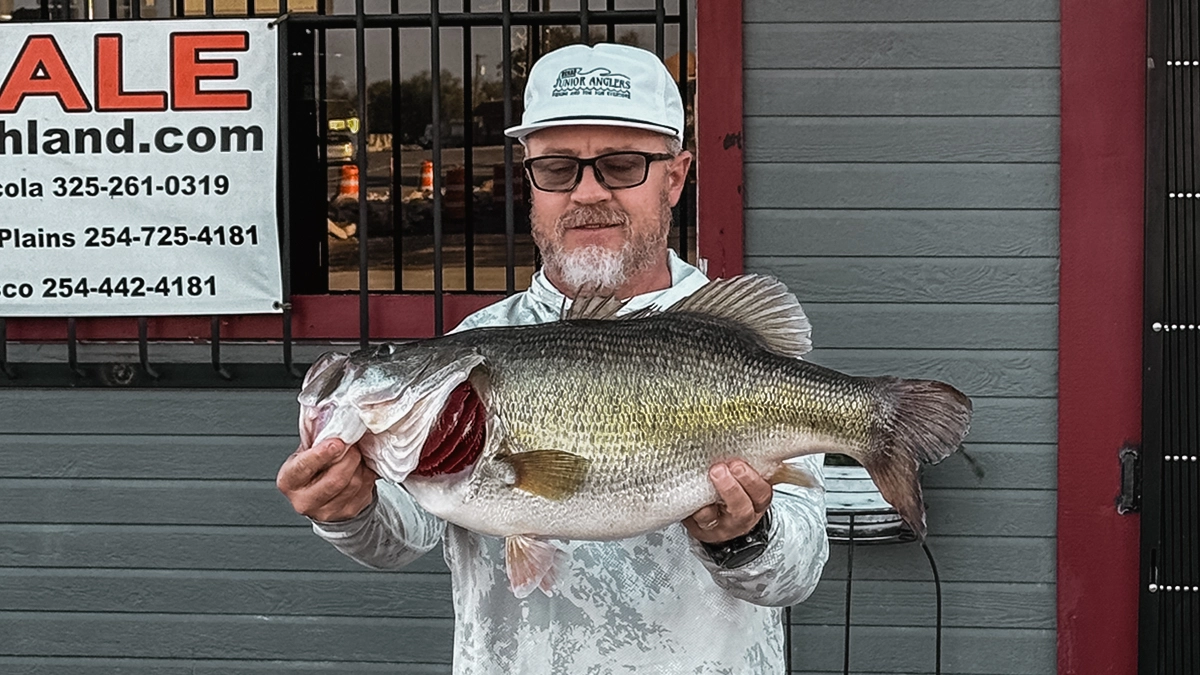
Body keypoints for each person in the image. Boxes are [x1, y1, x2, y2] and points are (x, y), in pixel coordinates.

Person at [276, 42, 829, 674]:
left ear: (675, 177)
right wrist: (347, 510)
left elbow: (797, 572)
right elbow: (406, 532)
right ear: (529, 182)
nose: (587, 193)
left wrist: (743, 537)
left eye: (622, 165)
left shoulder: (731, 348)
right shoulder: (479, 340)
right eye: (559, 169)